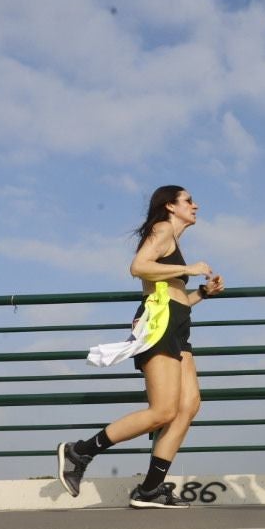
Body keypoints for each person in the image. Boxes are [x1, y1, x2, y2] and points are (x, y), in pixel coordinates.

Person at [57, 186, 226, 509]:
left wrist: (203, 292)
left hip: (178, 324)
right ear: (170, 206)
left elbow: (176, 298)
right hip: (160, 326)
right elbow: (139, 266)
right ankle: (80, 451)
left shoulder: (173, 241)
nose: (196, 205)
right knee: (163, 411)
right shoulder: (162, 229)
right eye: (188, 200)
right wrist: (188, 270)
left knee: (188, 407)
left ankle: (150, 489)